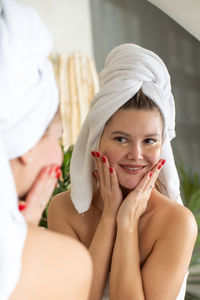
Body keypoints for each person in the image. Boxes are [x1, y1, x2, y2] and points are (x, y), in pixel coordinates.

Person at [48, 43, 197, 300]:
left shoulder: (177, 222)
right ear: (97, 139)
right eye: (121, 139)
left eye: (150, 141)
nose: (136, 155)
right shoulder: (63, 211)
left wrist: (126, 222)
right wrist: (108, 219)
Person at [0, 1, 92, 300]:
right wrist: (26, 236)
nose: (59, 155)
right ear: (28, 144)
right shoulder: (68, 264)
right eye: (58, 136)